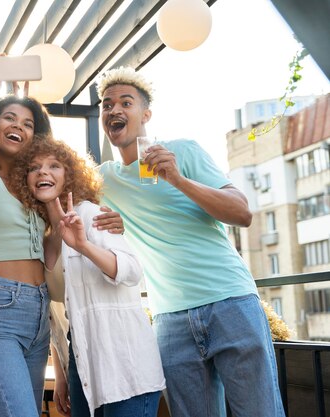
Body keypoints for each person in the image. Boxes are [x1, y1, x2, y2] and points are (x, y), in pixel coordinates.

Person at [95, 66, 285, 417]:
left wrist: (178, 179)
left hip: (230, 303)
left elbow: (242, 213)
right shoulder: (106, 178)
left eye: (126, 102)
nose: (114, 109)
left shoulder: (183, 150)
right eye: (106, 104)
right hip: (170, 321)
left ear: (146, 114)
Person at [0, 54, 124, 417]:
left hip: (38, 315)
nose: (18, 125)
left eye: (29, 123)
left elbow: (54, 252)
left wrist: (106, 222)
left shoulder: (35, 190)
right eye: (9, 118)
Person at [11, 137, 166, 417]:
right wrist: (61, 375)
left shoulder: (90, 215)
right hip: (82, 368)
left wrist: (83, 245)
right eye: (35, 168)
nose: (43, 172)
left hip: (125, 365)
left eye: (54, 166)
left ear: (69, 176)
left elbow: (132, 271)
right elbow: (59, 315)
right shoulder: (41, 236)